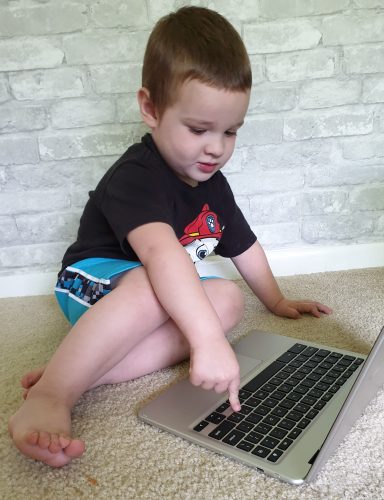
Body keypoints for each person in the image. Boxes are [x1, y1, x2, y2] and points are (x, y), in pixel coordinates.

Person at [8, 6, 332, 468]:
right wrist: (208, 343)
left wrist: (276, 302)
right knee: (153, 286)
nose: (216, 147)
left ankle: (86, 370)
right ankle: (53, 394)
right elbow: (161, 256)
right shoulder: (136, 176)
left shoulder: (214, 186)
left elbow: (243, 245)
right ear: (150, 109)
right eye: (199, 129)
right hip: (94, 281)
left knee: (226, 300)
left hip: (150, 283)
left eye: (230, 131)